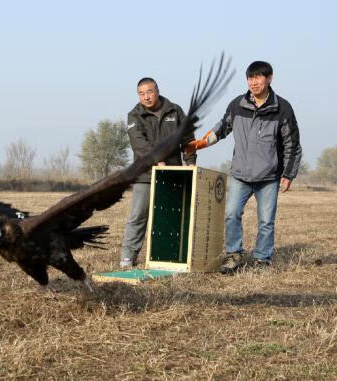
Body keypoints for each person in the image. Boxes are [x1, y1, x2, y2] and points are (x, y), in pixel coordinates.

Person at [184, 61, 302, 272]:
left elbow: (292, 144)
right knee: (231, 214)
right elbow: (221, 129)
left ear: (269, 78)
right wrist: (200, 143)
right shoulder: (237, 105)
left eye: (258, 77)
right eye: (250, 78)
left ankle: (262, 259)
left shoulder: (283, 108)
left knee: (266, 220)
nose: (253, 82)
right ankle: (234, 255)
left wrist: (288, 174)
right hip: (240, 174)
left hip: (268, 176)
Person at [120, 78, 196, 268]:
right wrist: (155, 161)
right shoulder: (134, 115)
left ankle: (171, 257)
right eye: (141, 93)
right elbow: (139, 143)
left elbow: (188, 138)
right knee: (138, 216)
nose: (146, 97)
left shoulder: (175, 110)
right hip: (145, 174)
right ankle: (128, 257)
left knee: (173, 216)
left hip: (172, 174)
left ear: (157, 91)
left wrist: (190, 162)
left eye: (149, 92)